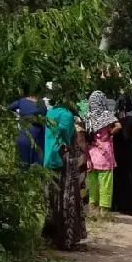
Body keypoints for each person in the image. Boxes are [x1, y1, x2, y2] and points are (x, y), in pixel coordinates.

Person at [42, 100, 86, 250]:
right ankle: (65, 239)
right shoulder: (66, 115)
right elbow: (68, 138)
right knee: (67, 198)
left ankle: (50, 236)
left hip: (50, 158)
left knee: (52, 198)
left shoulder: (51, 112)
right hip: (64, 160)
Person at [84, 91, 121, 215]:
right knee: (105, 181)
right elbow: (119, 126)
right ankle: (104, 210)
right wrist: (109, 133)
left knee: (93, 182)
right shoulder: (106, 115)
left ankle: (92, 208)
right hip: (105, 152)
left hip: (92, 152)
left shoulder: (88, 116)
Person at [7, 90, 47, 167]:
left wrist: (18, 116)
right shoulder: (42, 105)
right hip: (37, 137)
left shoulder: (21, 101)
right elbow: (44, 122)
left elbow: (8, 108)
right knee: (37, 165)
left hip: (23, 135)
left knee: (23, 164)